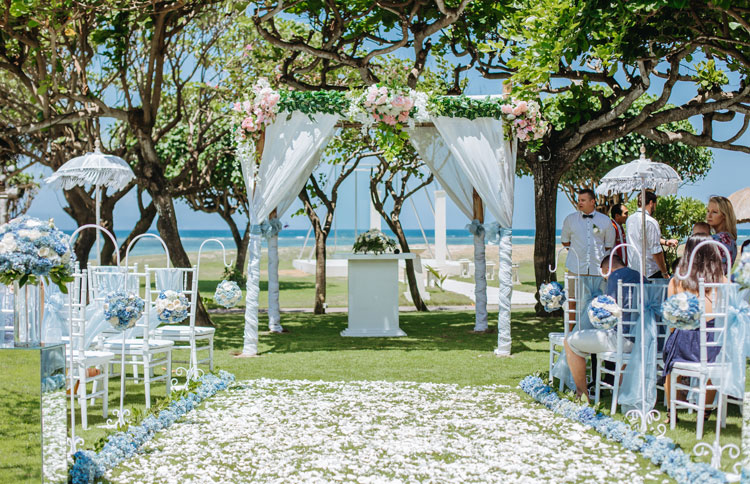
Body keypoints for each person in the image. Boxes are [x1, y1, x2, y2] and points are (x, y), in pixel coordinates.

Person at [662, 235, 727, 423]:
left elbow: (671, 322)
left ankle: (671, 411)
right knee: (716, 356)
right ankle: (705, 411)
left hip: (684, 347)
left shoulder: (677, 281)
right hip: (713, 346)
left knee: (670, 361)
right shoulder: (723, 282)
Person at [564, 254, 641, 399]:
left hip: (622, 339)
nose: (605, 279)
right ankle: (618, 392)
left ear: (607, 269)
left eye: (604, 275)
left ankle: (581, 395)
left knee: (569, 342)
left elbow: (609, 310)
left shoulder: (615, 277)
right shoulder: (640, 277)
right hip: (643, 340)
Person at [626, 191, 677, 279]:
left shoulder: (630, 219)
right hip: (649, 271)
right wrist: (664, 272)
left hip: (633, 268)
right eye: (655, 204)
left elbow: (642, 237)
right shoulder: (650, 221)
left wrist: (666, 242)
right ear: (651, 203)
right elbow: (656, 250)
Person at [706, 195, 737, 270]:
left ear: (724, 216)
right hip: (723, 281)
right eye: (708, 211)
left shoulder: (715, 240)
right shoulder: (731, 240)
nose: (709, 215)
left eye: (714, 212)